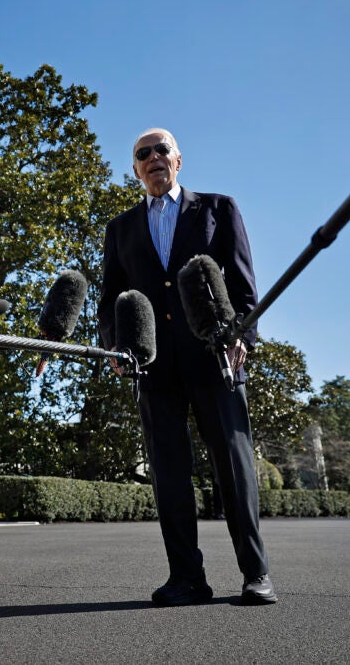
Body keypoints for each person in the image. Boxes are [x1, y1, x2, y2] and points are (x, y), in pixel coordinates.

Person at [97, 127, 276, 607]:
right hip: (154, 368)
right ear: (135, 169)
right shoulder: (120, 229)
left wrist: (245, 337)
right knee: (169, 474)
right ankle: (187, 578)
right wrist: (116, 347)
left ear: (179, 161)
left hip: (215, 359)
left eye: (162, 150)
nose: (153, 157)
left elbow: (242, 286)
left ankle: (256, 574)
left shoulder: (219, 208)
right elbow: (109, 299)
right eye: (143, 154)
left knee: (235, 471)